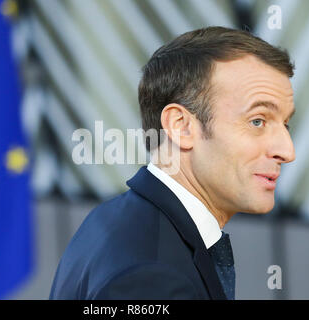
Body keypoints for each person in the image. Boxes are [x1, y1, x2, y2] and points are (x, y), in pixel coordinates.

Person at [49, 26, 296, 300]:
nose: (287, 151)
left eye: (285, 124)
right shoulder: (151, 278)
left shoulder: (116, 220)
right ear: (181, 127)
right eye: (257, 121)